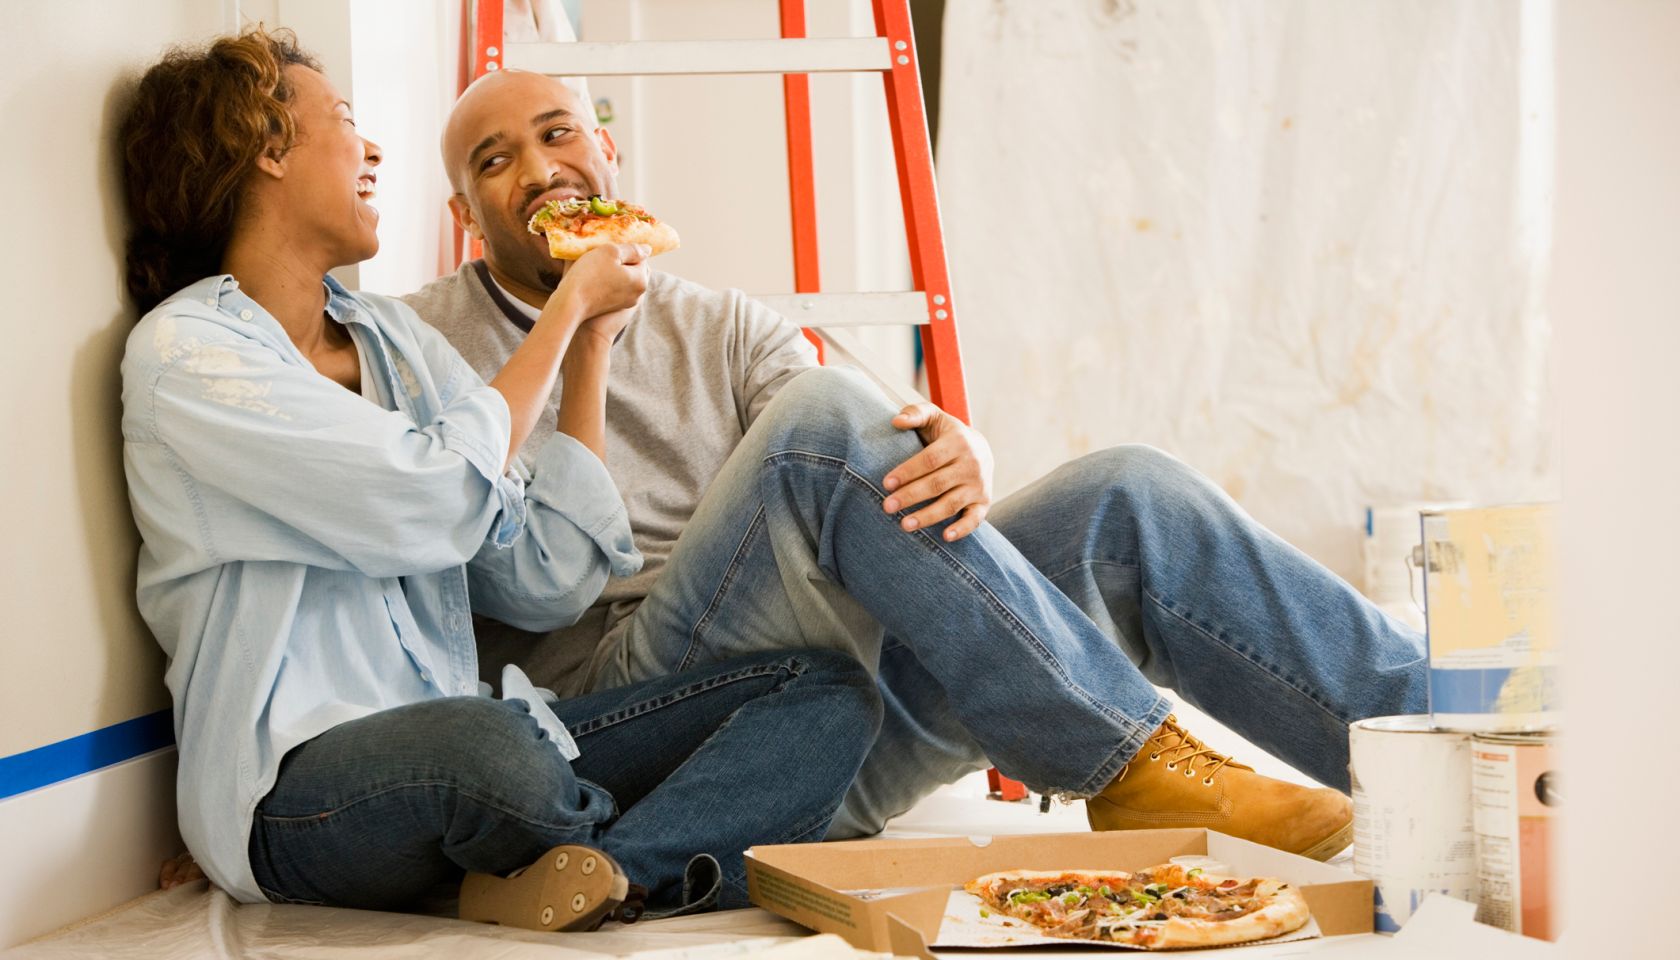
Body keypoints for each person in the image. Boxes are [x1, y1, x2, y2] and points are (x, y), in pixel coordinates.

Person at [403, 68, 1429, 862]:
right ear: (463, 215)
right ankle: (1121, 757)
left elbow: (869, 449)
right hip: (643, 728)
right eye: (494, 161)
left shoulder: (719, 323)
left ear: (606, 148)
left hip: (840, 724)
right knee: (818, 420)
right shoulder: (416, 342)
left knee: (1128, 495)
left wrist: (961, 448)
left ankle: (1461, 748)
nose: (539, 171)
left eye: (558, 134)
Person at [118, 29, 881, 925]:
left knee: (826, 693)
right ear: (267, 149)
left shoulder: (391, 341)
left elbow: (548, 574)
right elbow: (432, 495)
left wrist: (591, 340)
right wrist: (563, 314)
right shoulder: (190, 357)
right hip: (299, 788)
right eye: (346, 122)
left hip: (477, 739)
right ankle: (684, 835)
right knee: (493, 752)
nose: (371, 149)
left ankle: (610, 876)